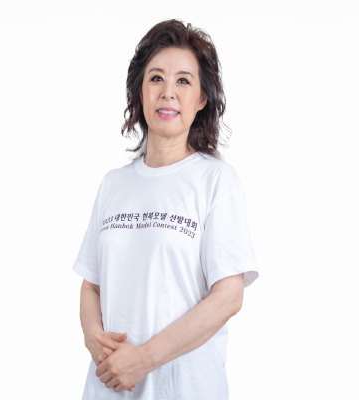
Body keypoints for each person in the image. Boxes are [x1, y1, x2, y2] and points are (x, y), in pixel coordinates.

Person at [72, 18, 260, 399]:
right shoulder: (114, 184)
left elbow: (229, 296)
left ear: (202, 99)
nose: (168, 92)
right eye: (156, 78)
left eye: (184, 81)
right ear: (140, 92)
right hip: (108, 389)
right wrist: (95, 341)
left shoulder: (216, 181)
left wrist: (143, 359)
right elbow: (91, 284)